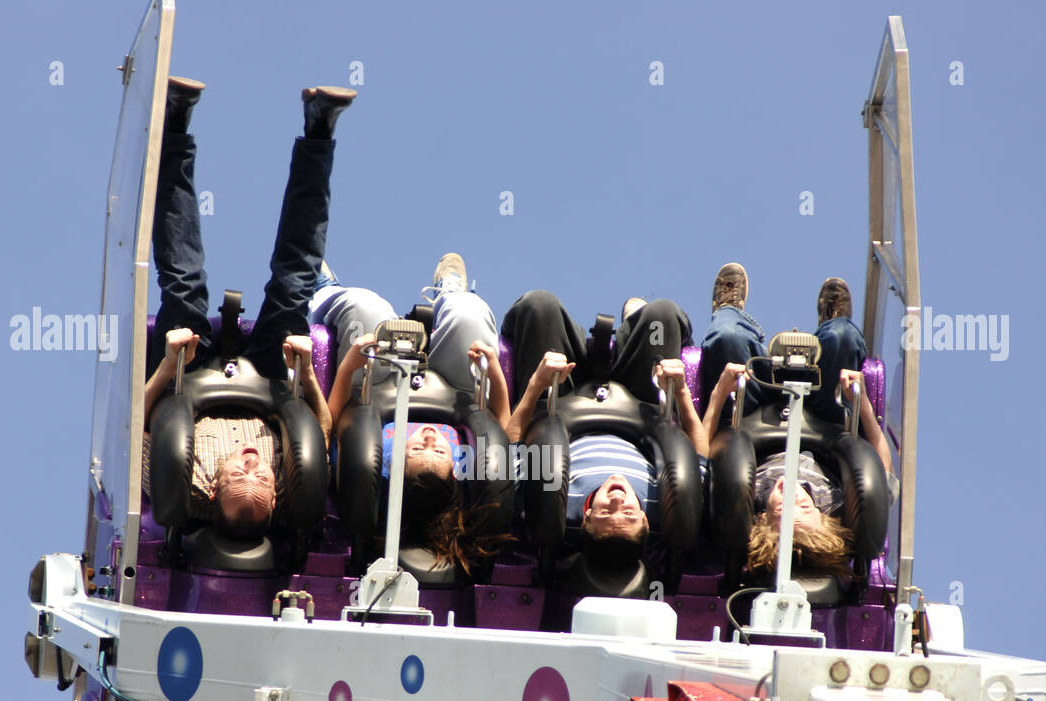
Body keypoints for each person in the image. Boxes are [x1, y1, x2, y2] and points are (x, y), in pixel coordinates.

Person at [139, 77, 353, 539]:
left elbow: (133, 424)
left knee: (183, 284)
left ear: (213, 487)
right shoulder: (291, 493)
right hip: (271, 381)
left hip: (187, 376)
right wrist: (308, 377)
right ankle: (320, 131)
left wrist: (168, 364)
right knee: (296, 281)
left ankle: (174, 125)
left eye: (238, 475)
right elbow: (322, 429)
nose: (252, 465)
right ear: (275, 495)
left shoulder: (183, 487)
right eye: (261, 478)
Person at [696, 269, 896, 578]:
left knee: (726, 337)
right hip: (822, 421)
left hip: (747, 418)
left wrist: (718, 395)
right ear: (822, 516)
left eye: (781, 509)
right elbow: (880, 469)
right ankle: (832, 322)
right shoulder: (839, 506)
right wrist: (863, 404)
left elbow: (702, 459)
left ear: (763, 521)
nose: (792, 495)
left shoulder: (742, 511)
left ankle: (729, 312)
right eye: (803, 508)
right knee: (843, 336)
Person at [324, 254, 513, 575]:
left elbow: (330, 426)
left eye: (414, 449)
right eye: (439, 450)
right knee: (470, 315)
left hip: (376, 384)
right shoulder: (466, 467)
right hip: (455, 393)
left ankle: (325, 289)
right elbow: (500, 430)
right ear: (455, 472)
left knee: (364, 308)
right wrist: (494, 373)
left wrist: (348, 367)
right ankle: (450, 295)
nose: (428, 438)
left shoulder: (371, 461)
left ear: (393, 466)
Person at [502, 290, 708, 568]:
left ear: (585, 519)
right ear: (646, 520)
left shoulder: (548, 503)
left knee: (539, 307)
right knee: (662, 315)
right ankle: (637, 324)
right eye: (628, 513)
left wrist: (536, 384)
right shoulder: (668, 507)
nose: (617, 498)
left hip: (556, 397)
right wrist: (681, 391)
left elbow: (510, 443)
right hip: (641, 405)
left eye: (606, 512)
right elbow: (698, 456)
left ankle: (633, 328)